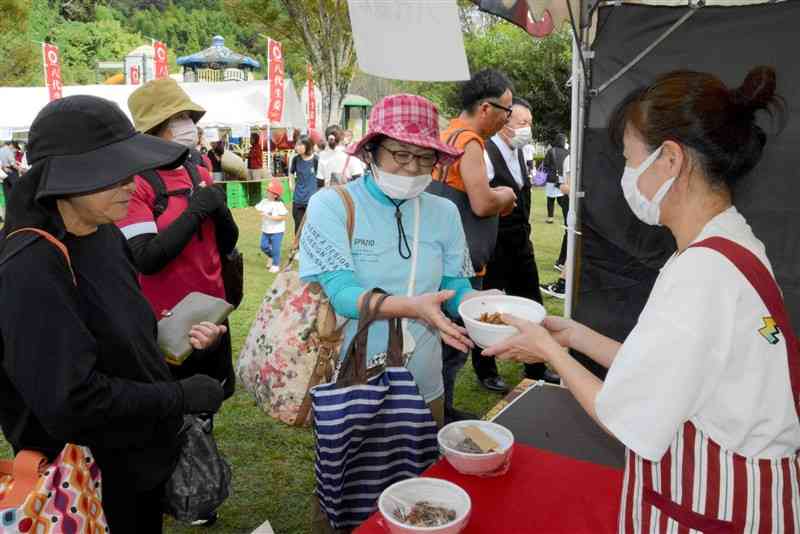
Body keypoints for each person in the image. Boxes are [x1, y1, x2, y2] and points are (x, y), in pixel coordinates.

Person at [483, 67, 800, 532]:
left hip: (715, 507)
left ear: (670, 159)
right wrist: (574, 335)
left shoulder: (703, 271)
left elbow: (627, 414)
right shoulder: (728, 242)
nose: (626, 176)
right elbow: (665, 371)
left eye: (630, 158)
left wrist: (549, 351)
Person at [0, 95, 226, 533]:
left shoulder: (103, 235)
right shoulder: (30, 267)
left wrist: (178, 343)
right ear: (66, 178)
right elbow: (71, 402)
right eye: (114, 174)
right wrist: (179, 397)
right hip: (82, 482)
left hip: (133, 463)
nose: (132, 184)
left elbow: (118, 337)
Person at [299, 94, 500, 430]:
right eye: (400, 154)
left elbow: (452, 285)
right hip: (352, 377)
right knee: (355, 479)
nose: (412, 167)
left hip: (424, 376)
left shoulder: (444, 212)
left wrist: (479, 305)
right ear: (370, 152)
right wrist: (412, 307)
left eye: (425, 158)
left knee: (423, 473)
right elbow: (343, 294)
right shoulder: (331, 205)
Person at [119, 78, 239, 404]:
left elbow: (226, 241)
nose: (188, 126)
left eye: (188, 117)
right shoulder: (134, 184)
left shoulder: (197, 167)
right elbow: (146, 258)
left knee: (210, 398)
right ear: (155, 128)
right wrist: (198, 209)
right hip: (166, 321)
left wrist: (220, 210)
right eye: (178, 119)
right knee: (172, 409)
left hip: (212, 312)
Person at [435, 68, 518, 418]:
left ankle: (437, 407)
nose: (508, 119)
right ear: (486, 108)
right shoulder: (469, 142)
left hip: (439, 256)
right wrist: (506, 195)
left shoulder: (445, 135)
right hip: (464, 262)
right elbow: (482, 203)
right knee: (453, 341)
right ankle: (441, 413)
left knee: (438, 340)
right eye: (506, 110)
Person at [479, 97, 549, 385]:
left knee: (532, 302)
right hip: (496, 246)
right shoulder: (486, 153)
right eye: (522, 123)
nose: (527, 130)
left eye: (530, 124)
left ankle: (535, 367)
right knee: (490, 306)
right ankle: (486, 370)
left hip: (522, 241)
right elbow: (481, 201)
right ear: (504, 123)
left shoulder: (520, 152)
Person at [540, 151, 572, 299]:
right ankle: (563, 279)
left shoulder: (571, 158)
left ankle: (563, 280)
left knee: (572, 236)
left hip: (573, 201)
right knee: (572, 237)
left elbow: (571, 188)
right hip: (569, 200)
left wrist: (563, 186)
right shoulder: (569, 156)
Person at [289, 135, 319, 233]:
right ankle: (297, 247)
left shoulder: (316, 160)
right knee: (298, 226)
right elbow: (291, 173)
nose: (296, 147)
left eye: (300, 145)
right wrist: (291, 184)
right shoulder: (295, 159)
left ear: (307, 146)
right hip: (298, 199)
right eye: (296, 145)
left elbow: (322, 178)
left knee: (312, 227)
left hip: (312, 200)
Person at [256, 181, 288, 273]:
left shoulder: (279, 205)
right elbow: (258, 208)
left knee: (276, 248)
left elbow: (283, 217)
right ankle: (271, 256)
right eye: (267, 191)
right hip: (266, 229)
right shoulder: (264, 201)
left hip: (277, 231)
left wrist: (270, 216)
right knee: (263, 246)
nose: (267, 193)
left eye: (269, 191)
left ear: (275, 195)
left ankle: (275, 265)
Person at [543, 133, 568, 226]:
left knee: (550, 199)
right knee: (562, 199)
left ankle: (550, 218)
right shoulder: (568, 152)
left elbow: (545, 165)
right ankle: (566, 216)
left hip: (552, 178)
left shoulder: (551, 151)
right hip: (564, 178)